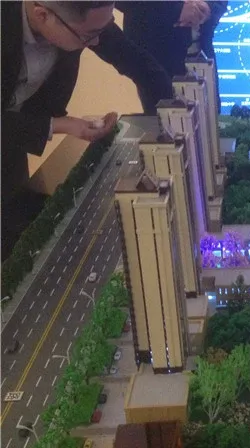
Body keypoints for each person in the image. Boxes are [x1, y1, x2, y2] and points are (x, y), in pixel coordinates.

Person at [1, 0, 173, 258]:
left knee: (14, 233)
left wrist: (171, 122)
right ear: (42, 15)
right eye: (88, 36)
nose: (95, 42)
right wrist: (60, 125)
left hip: (11, 147)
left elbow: (139, 64)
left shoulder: (82, 20)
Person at [116, 1, 228, 111]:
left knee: (210, 117)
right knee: (163, 119)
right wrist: (176, 9)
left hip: (203, 54)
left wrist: (209, 6)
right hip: (156, 58)